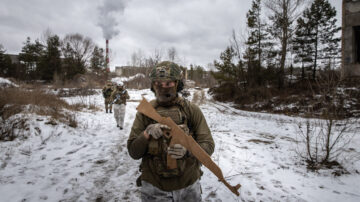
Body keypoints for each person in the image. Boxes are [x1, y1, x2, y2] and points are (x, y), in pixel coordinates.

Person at [127, 61, 215, 202]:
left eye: (168, 84)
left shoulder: (191, 110)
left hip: (188, 186)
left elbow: (208, 145)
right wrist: (147, 133)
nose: (163, 88)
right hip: (154, 187)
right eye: (158, 83)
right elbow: (133, 152)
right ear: (153, 85)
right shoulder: (145, 112)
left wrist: (188, 150)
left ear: (177, 83)